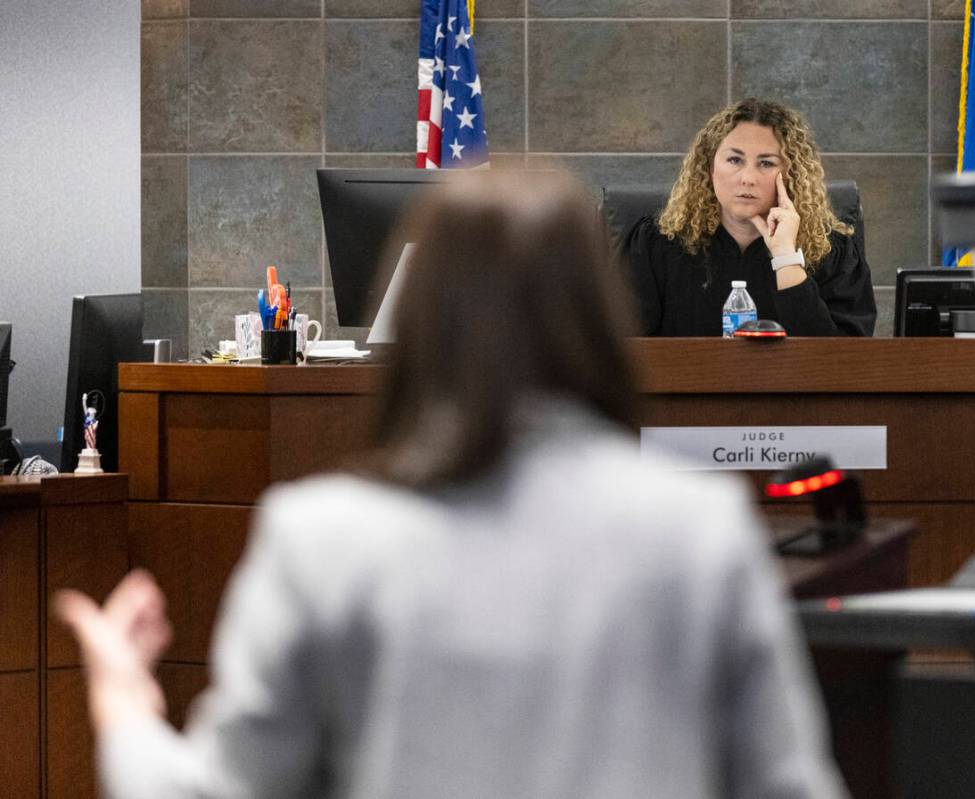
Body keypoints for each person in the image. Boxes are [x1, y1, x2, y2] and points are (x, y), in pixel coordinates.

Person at [56, 172, 846, 799]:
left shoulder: (320, 537)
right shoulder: (701, 529)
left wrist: (123, 701)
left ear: (422, 316)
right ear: (597, 318)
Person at [626, 97, 877, 337]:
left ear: (792, 175)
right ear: (709, 168)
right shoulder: (657, 244)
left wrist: (786, 258)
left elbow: (841, 362)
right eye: (735, 160)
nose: (747, 178)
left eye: (766, 163)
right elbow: (618, 349)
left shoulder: (832, 250)